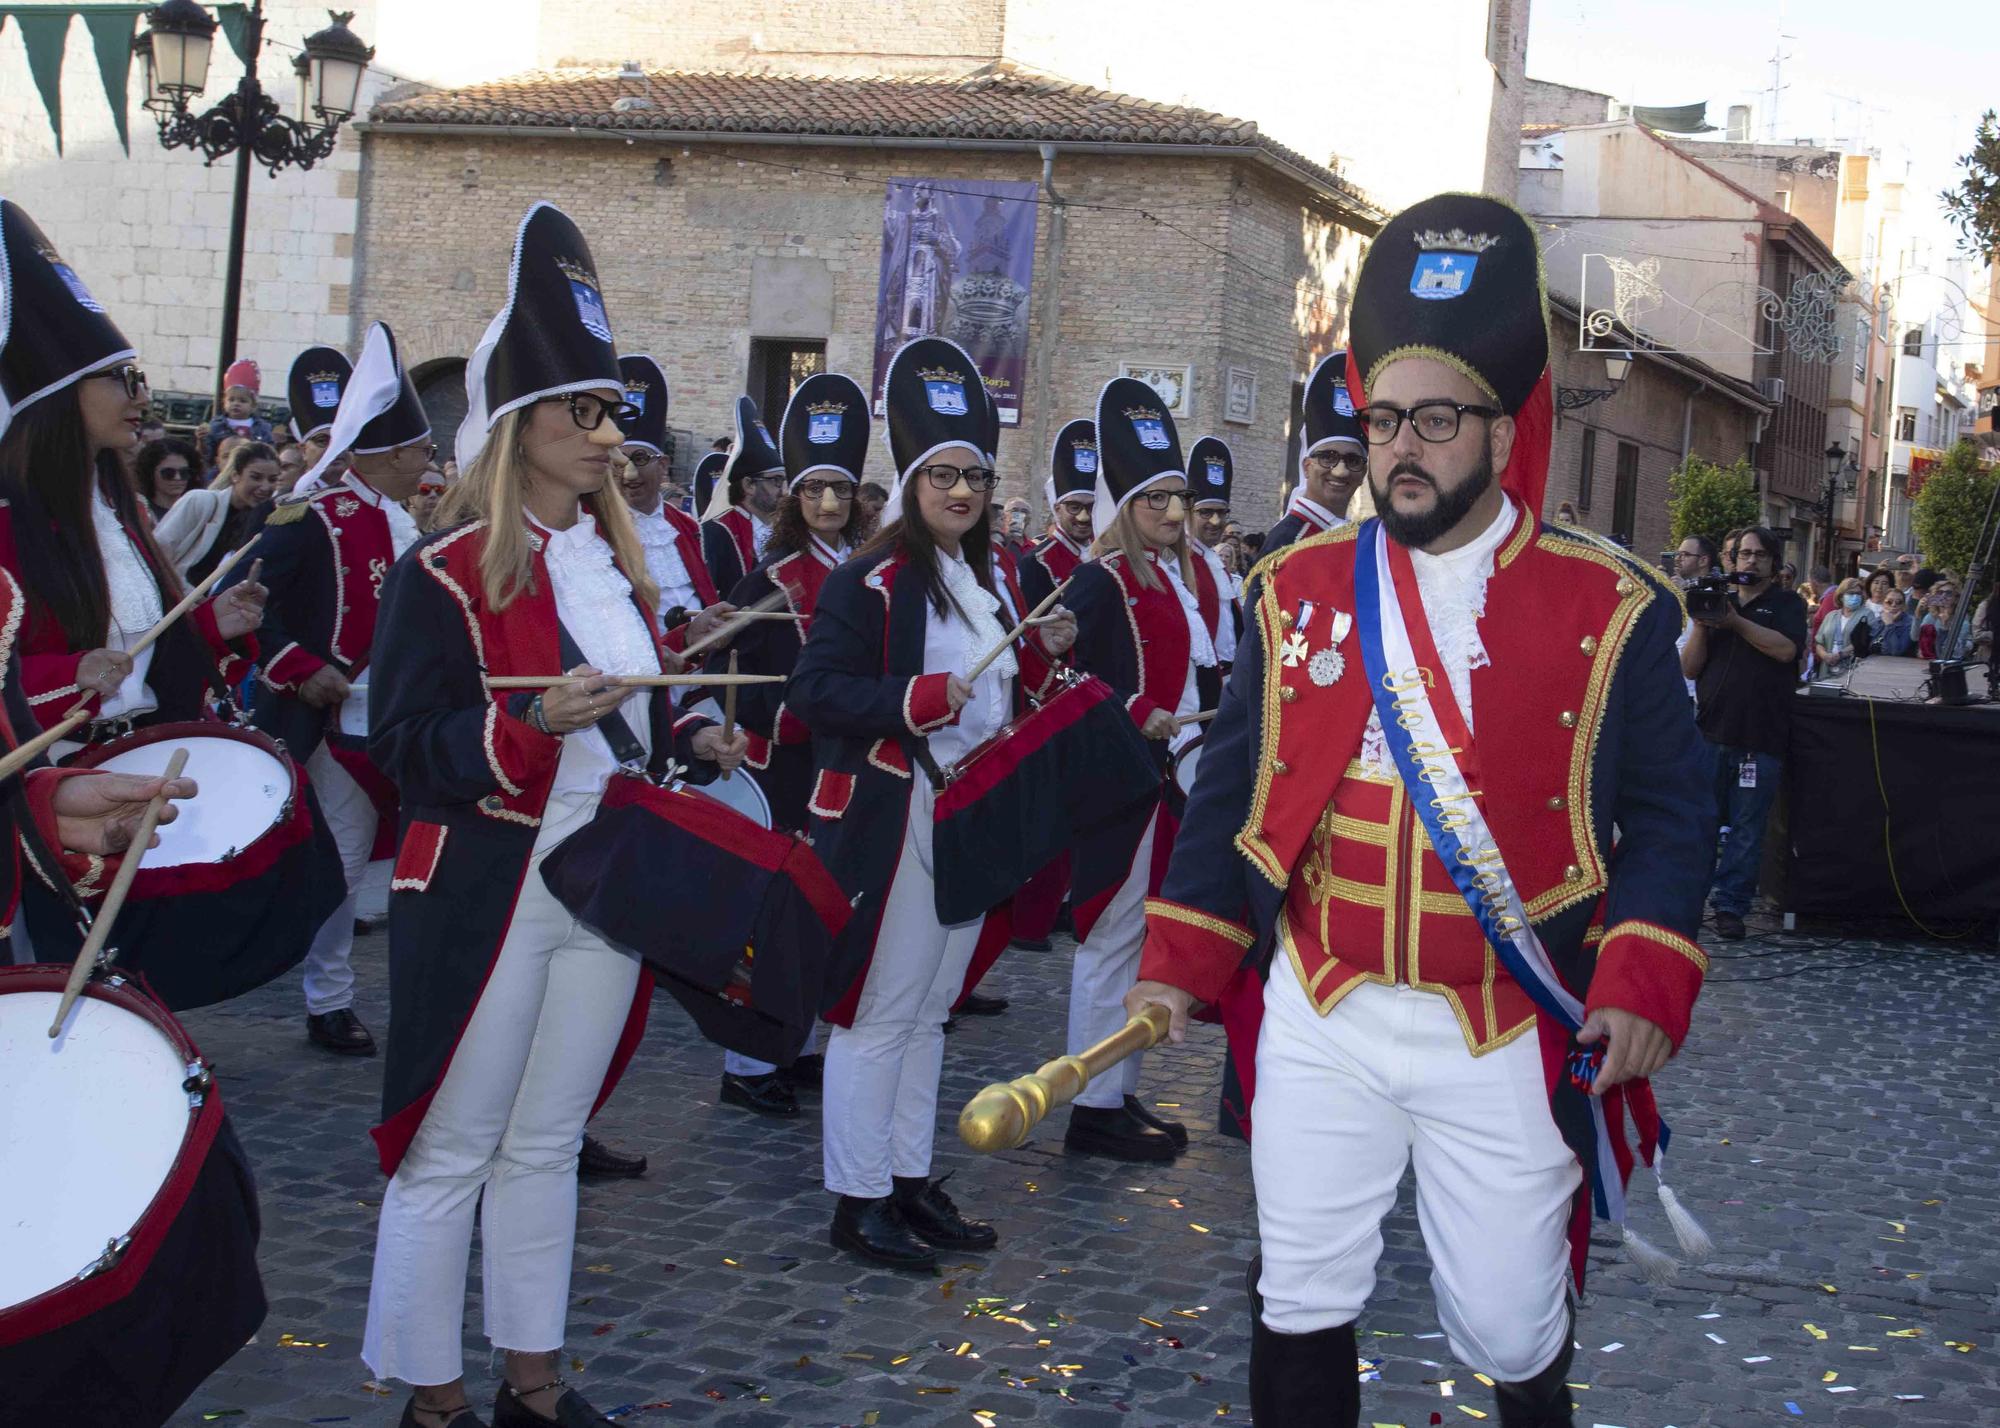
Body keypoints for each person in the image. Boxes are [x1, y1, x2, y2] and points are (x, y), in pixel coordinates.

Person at [1126, 193, 1712, 1428]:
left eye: (1434, 420)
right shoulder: (1292, 590)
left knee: (1507, 1322)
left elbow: (1669, 814)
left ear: (1503, 434)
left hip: (1498, 1020)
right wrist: (1176, 961)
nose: (1400, 446)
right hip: (1321, 1006)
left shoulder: (1610, 608)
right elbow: (1229, 789)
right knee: (1298, 1288)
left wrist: (1640, 979)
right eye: (1383, 417)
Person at [360, 200, 746, 1428]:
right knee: (451, 1151)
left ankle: (532, 1382)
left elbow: (624, 711)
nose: (606, 430)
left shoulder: (622, 565)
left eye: (612, 411)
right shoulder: (440, 571)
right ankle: (431, 1400)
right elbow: (406, 746)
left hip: (601, 880)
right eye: (581, 409)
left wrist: (685, 731)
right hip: (489, 881)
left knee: (547, 1142)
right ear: (517, 425)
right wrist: (529, 728)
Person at [789, 336, 1075, 1272]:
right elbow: (813, 693)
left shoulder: (986, 581)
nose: (962, 492)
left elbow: (991, 697)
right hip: (895, 811)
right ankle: (855, 1198)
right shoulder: (865, 580)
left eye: (977, 477)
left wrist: (1040, 659)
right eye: (944, 475)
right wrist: (911, 698)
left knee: (928, 1012)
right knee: (878, 1012)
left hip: (967, 813)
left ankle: (906, 1179)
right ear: (910, 482)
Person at [0, 198, 264, 755]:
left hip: (139, 752)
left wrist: (213, 624)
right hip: (56, 773)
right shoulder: (7, 521)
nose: (141, 395)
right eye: (122, 378)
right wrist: (68, 674)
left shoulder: (121, 509)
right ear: (59, 398)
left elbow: (147, 660)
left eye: (138, 377)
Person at [240, 321, 431, 1057]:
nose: (428, 459)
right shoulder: (307, 514)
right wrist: (297, 666)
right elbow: (242, 605)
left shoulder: (402, 520)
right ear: (382, 453)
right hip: (328, 716)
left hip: (389, 715)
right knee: (342, 861)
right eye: (418, 448)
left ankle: (330, 991)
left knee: (362, 860)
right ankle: (328, 1000)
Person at [1059, 377, 1218, 1162]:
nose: (1172, 514)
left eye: (1177, 499)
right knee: (1107, 940)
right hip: (1121, 785)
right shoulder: (1100, 579)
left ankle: (1117, 1090)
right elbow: (1063, 680)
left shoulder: (1170, 577)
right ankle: (1090, 1103)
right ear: (1123, 505)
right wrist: (1133, 710)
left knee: (1138, 940)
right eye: (1155, 500)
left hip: (1167, 778)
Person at [709, 370, 871, 1118]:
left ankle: (797, 1046)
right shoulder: (768, 578)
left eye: (841, 489)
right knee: (770, 914)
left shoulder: (872, 574)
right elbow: (726, 673)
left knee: (822, 909)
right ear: (795, 498)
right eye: (814, 490)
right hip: (785, 768)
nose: (830, 505)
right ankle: (747, 1062)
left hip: (843, 767)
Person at [1682, 525, 1805, 940]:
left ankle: (1731, 907)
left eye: (1759, 554)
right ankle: (1688, 901)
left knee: (1747, 831)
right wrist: (1703, 623)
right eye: (1744, 554)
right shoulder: (1720, 601)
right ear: (1732, 560)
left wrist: (1734, 622)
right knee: (1700, 823)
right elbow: (1689, 668)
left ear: (1773, 562)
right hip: (1711, 734)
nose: (1750, 561)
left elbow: (1785, 649)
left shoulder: (1786, 604)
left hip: (1761, 738)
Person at [1010, 419, 1100, 952]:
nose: (1084, 517)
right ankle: (1030, 918)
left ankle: (1062, 904)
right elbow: (1032, 639)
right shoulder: (1038, 561)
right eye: (1073, 507)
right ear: (1054, 508)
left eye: (1091, 505)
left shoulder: (1098, 558)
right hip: (1051, 698)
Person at [612, 354, 730, 654]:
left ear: (663, 466)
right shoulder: (595, 532)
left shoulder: (688, 529)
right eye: (619, 461)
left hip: (699, 676)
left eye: (640, 459)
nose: (629, 474)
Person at [1266, 351, 1368, 553]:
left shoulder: (1357, 539)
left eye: (1353, 460)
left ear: (1363, 473)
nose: (1340, 471)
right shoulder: (1286, 543)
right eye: (1328, 457)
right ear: (1307, 466)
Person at [156, 438, 280, 581]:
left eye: (272, 480)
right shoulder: (200, 501)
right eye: (256, 477)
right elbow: (159, 551)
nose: (265, 487)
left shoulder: (266, 522)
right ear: (235, 475)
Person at [699, 398, 785, 596]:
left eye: (782, 481)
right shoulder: (717, 531)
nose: (782, 490)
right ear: (749, 485)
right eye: (775, 481)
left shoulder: (784, 530)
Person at [1185, 434, 1243, 673]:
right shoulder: (1181, 562)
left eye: (1222, 512)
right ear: (1189, 512)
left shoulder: (1214, 562)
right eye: (1206, 512)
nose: (1216, 521)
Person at [286, 344, 354, 495]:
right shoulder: (285, 506)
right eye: (323, 441)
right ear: (303, 450)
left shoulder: (372, 503)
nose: (334, 449)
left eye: (342, 440)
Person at [203, 357, 275, 465]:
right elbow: (208, 454)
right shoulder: (216, 426)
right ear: (224, 402)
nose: (236, 404)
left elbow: (270, 451)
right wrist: (201, 440)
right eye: (231, 400)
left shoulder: (262, 428)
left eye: (243, 401)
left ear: (253, 405)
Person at [1814, 576, 1872, 670]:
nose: (1855, 596)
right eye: (1851, 593)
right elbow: (1819, 642)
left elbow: (1863, 641)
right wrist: (1825, 656)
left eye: (1858, 593)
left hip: (1851, 668)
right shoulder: (1831, 616)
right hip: (1827, 667)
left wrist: (1839, 655)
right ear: (1841, 596)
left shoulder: (1867, 615)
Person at [135, 434, 197, 519]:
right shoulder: (140, 512)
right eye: (168, 473)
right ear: (150, 473)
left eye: (184, 473)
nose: (177, 478)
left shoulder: (197, 511)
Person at [1874, 587, 1916, 655]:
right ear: (1883, 604)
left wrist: (1889, 625)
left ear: (1904, 605)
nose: (1893, 605)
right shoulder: (1877, 621)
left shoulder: (1910, 623)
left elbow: (1896, 651)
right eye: (1889, 602)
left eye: (1898, 602)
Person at [407, 466, 448, 532]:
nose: (433, 495)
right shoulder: (399, 529)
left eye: (439, 489)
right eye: (424, 489)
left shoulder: (451, 530)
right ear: (410, 497)